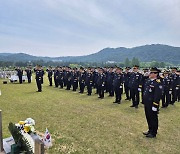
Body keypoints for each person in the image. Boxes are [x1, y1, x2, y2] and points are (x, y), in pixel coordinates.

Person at [143, 67, 162, 138]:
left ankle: (153, 132)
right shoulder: (148, 81)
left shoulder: (158, 83)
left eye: (151, 73)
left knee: (153, 118)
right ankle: (150, 130)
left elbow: (157, 95)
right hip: (147, 103)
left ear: (155, 74)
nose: (150, 74)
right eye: (150, 72)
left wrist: (155, 105)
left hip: (152, 104)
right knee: (148, 117)